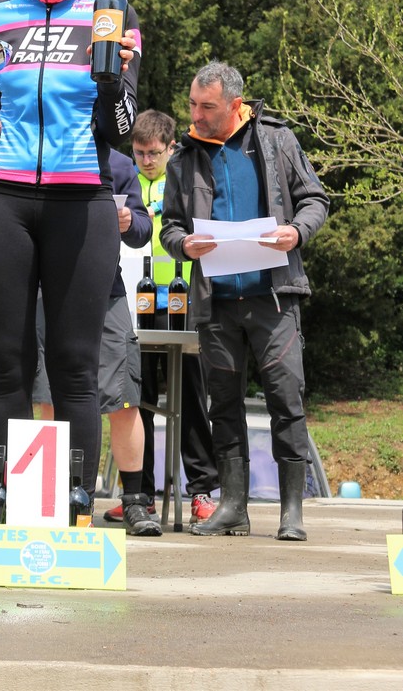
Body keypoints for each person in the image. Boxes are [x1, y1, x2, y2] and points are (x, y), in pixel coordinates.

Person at [0, 0, 141, 500]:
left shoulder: (110, 15)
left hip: (81, 202)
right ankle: (4, 488)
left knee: (74, 363)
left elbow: (120, 129)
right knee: (5, 360)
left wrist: (112, 79)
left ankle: (77, 494)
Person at [160, 61, 329, 541]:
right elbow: (170, 226)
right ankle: (233, 506)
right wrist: (183, 245)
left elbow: (315, 199)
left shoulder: (277, 139)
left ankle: (291, 511)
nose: (196, 115)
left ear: (236, 105)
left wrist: (296, 232)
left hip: (274, 298)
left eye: (207, 107)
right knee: (223, 405)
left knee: (286, 399)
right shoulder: (182, 157)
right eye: (192, 104)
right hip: (215, 302)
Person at [33, 147, 162, 536]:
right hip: (47, 291)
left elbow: (143, 229)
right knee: (50, 398)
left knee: (123, 399)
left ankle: (135, 501)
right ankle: (56, 499)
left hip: (107, 293)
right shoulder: (42, 151)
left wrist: (129, 221)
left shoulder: (119, 163)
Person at [104, 109, 219, 527]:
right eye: (140, 153)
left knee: (191, 400)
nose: (147, 160)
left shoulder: (185, 179)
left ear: (171, 147)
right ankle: (141, 495)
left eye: (154, 152)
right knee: (139, 401)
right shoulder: (126, 180)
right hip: (137, 306)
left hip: (182, 304)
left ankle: (202, 492)